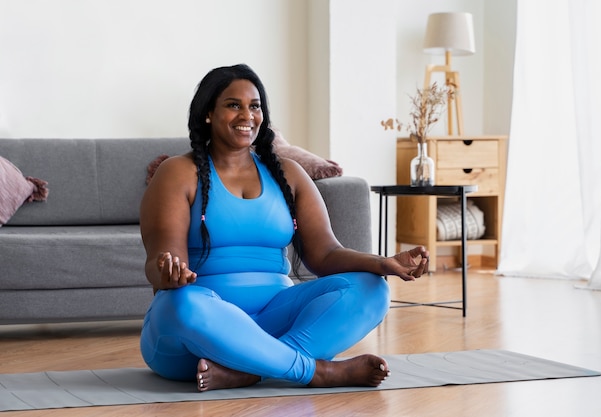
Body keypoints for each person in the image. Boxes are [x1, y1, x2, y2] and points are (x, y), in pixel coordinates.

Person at [139, 63, 429, 392]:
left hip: (274, 321)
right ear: (208, 113)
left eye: (255, 106)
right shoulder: (177, 172)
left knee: (372, 288)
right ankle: (318, 372)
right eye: (234, 105)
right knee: (183, 303)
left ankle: (250, 371)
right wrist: (168, 272)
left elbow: (325, 254)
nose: (247, 115)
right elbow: (159, 262)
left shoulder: (288, 174)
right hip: (197, 332)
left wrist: (382, 263)